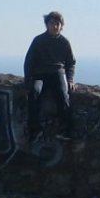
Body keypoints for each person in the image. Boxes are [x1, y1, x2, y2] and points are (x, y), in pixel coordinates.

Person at [24, 10, 76, 138]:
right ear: (46, 24)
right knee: (34, 92)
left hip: (57, 73)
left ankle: (66, 128)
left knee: (63, 94)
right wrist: (27, 81)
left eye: (58, 24)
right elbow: (29, 61)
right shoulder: (38, 40)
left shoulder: (64, 42)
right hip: (39, 74)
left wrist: (70, 80)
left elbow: (71, 62)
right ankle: (34, 129)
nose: (55, 26)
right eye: (52, 23)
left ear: (61, 26)